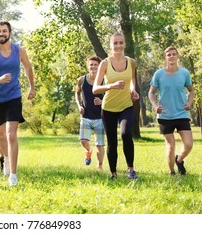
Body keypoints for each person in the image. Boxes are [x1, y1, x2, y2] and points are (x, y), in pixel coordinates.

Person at [0, 20, 35, 187]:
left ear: (10, 33)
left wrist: (32, 87)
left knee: (11, 135)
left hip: (13, 97)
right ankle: (7, 159)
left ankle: (14, 175)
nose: (1, 34)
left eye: (4, 31)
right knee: (1, 137)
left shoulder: (19, 51)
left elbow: (28, 68)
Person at [92, 32, 139, 180]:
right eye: (115, 43)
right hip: (108, 108)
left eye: (120, 42)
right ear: (111, 45)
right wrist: (111, 85)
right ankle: (113, 173)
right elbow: (95, 88)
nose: (118, 46)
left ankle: (131, 170)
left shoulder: (131, 62)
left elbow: (132, 79)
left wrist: (133, 89)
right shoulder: (105, 63)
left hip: (126, 105)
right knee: (112, 141)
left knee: (126, 134)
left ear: (124, 44)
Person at [148, 46, 194, 175]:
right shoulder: (159, 74)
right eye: (169, 55)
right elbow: (151, 93)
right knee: (171, 145)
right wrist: (155, 106)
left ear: (177, 56)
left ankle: (179, 160)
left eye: (174, 54)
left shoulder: (184, 73)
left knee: (189, 144)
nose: (171, 56)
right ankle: (172, 172)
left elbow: (191, 91)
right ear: (166, 57)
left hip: (181, 113)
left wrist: (189, 103)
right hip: (165, 116)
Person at [75, 56, 105, 170]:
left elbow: (111, 96)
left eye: (95, 65)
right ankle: (89, 150)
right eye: (91, 64)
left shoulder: (104, 80)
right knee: (83, 141)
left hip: (100, 117)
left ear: (99, 66)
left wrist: (102, 101)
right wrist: (79, 106)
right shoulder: (81, 80)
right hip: (86, 116)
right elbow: (77, 93)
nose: (93, 67)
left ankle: (100, 166)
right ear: (88, 66)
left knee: (100, 144)